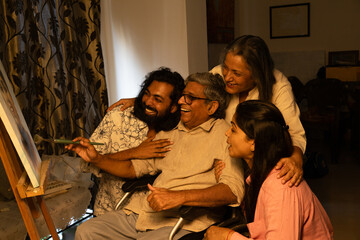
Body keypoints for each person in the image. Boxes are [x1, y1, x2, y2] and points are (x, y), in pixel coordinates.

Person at [108, 35, 305, 187]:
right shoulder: (218, 73)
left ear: (257, 74)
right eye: (226, 68)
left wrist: (295, 159)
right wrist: (148, 100)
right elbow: (189, 97)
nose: (227, 76)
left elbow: (294, 133)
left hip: (256, 160)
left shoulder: (278, 85)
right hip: (223, 152)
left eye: (236, 73)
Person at [67, 72, 244, 240]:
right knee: (87, 231)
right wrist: (97, 158)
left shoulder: (225, 135)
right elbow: (132, 168)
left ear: (212, 107)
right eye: (182, 96)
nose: (182, 101)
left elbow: (233, 191)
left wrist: (180, 197)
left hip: (183, 221)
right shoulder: (170, 132)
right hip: (143, 213)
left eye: (190, 98)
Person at [203, 100, 333, 240]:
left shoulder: (281, 186)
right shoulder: (260, 175)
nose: (227, 133)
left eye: (233, 129)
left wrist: (228, 237)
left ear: (253, 142)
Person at [85, 67, 185, 216]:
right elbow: (89, 161)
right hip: (109, 210)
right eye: (146, 94)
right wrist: (135, 152)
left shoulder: (178, 131)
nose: (148, 102)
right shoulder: (118, 117)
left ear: (173, 107)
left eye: (158, 99)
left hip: (153, 217)